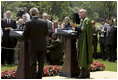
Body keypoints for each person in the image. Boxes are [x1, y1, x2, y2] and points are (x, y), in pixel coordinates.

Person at [23, 7, 48, 79]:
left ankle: (33, 77)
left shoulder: (28, 23)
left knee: (32, 63)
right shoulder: (44, 22)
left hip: (32, 45)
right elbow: (46, 33)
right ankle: (39, 77)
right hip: (42, 45)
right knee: (41, 63)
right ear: (37, 13)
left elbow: (25, 34)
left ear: (30, 14)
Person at [74, 9, 93, 78]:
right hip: (83, 41)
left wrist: (75, 27)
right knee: (84, 57)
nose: (78, 14)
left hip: (84, 43)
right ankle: (86, 74)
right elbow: (81, 28)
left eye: (80, 12)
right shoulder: (84, 20)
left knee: (83, 57)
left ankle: (83, 75)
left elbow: (83, 30)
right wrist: (76, 28)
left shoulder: (86, 20)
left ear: (84, 13)